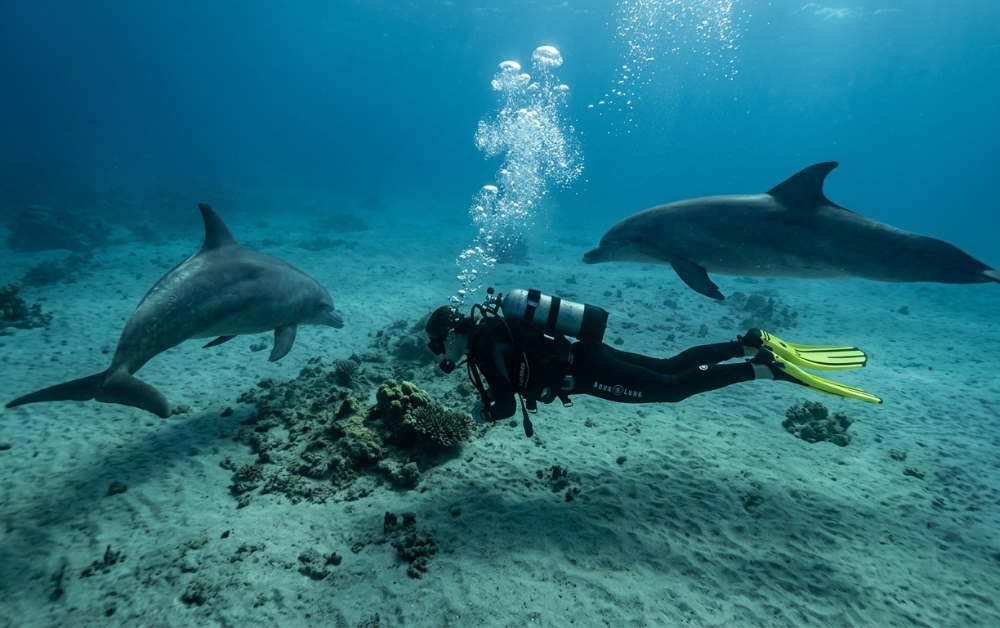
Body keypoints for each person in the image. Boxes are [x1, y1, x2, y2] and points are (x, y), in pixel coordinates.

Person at [425, 289, 880, 437]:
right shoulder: (492, 326)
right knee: (668, 365)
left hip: (583, 372)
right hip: (584, 354)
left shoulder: (484, 350)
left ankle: (763, 367)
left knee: (671, 387)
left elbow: (504, 406)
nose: (441, 357)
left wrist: (478, 413)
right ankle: (747, 345)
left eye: (437, 347)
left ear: (450, 336)